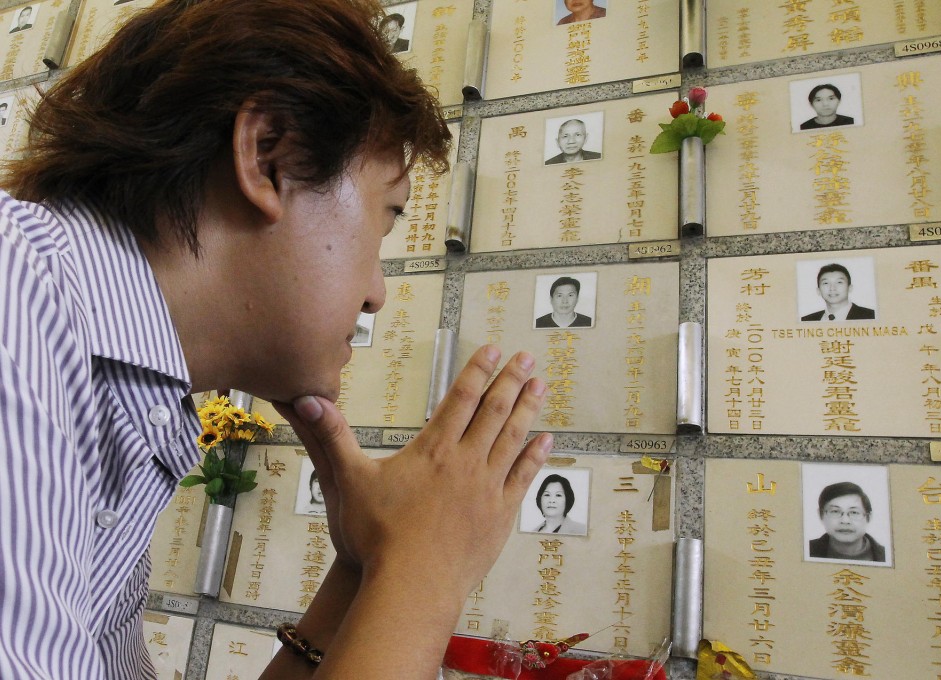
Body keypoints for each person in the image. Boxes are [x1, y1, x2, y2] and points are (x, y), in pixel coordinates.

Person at [0, 2, 553, 679]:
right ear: (268, 156)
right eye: (387, 216)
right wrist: (428, 564)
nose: (378, 291)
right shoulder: (13, 294)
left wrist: (363, 567)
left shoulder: (112, 390)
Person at [808, 482, 886, 562]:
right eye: (835, 511)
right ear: (821, 515)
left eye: (854, 512)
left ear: (868, 517)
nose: (845, 521)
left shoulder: (887, 557)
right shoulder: (804, 551)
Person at [801, 263, 875, 321]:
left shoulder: (871, 316)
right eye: (826, 283)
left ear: (850, 288)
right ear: (818, 291)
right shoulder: (806, 320)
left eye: (839, 282)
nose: (832, 288)